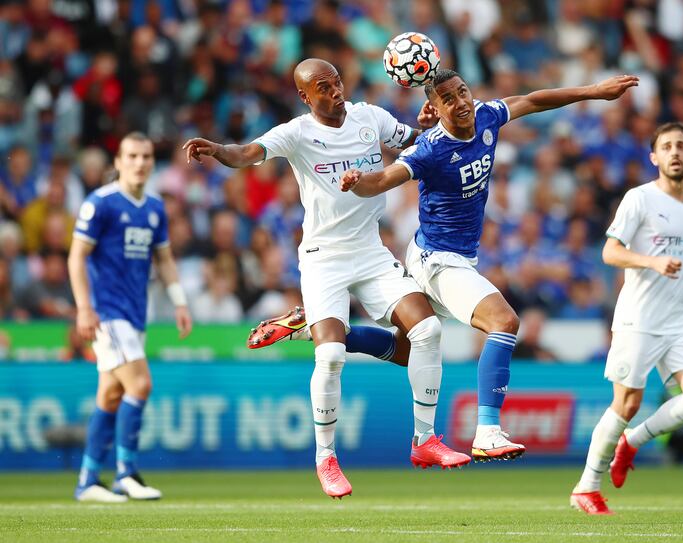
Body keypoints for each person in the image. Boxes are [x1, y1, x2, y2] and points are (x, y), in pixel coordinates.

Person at [182, 59, 469, 499]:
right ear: (304, 96)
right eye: (323, 87)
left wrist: (428, 123)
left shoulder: (369, 116)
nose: (335, 91)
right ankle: (326, 458)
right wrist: (217, 149)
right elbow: (247, 154)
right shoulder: (296, 133)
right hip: (323, 259)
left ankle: (424, 441)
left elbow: (418, 142)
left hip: (371, 251)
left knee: (426, 332)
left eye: (336, 81)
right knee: (331, 356)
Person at [339, 68, 638, 461]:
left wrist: (595, 92)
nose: (461, 102)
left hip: (449, 255)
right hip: (437, 259)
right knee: (504, 321)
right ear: (434, 107)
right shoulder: (429, 148)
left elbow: (532, 100)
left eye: (463, 91)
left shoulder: (486, 115)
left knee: (406, 349)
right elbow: (383, 181)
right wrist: (358, 180)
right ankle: (488, 431)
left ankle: (322, 330)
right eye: (448, 99)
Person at [569, 122, 683, 515]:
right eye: (666, 147)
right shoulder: (639, 199)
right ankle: (586, 487)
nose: (674, 152)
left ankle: (632, 442)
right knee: (627, 403)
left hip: (677, 321)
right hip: (638, 319)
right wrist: (651, 260)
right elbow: (610, 252)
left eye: (682, 146)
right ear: (654, 157)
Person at [69, 132, 193, 503]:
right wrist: (84, 308)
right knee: (140, 385)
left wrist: (180, 301)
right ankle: (126, 473)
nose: (140, 163)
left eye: (146, 156)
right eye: (132, 156)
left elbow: (165, 259)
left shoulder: (154, 207)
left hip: (136, 314)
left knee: (110, 395)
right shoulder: (101, 203)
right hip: (108, 312)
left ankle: (88, 480)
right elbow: (77, 256)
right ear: (118, 162)